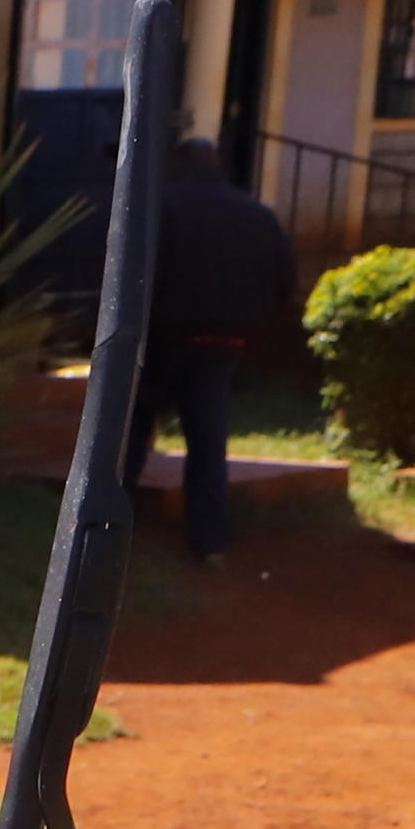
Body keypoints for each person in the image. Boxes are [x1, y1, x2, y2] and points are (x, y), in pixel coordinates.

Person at [146, 133, 302, 561]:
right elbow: (285, 281)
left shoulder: (161, 206)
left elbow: (138, 272)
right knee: (208, 441)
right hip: (226, 338)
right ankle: (209, 540)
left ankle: (109, 530)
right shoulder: (257, 214)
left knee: (131, 432)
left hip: (164, 336)